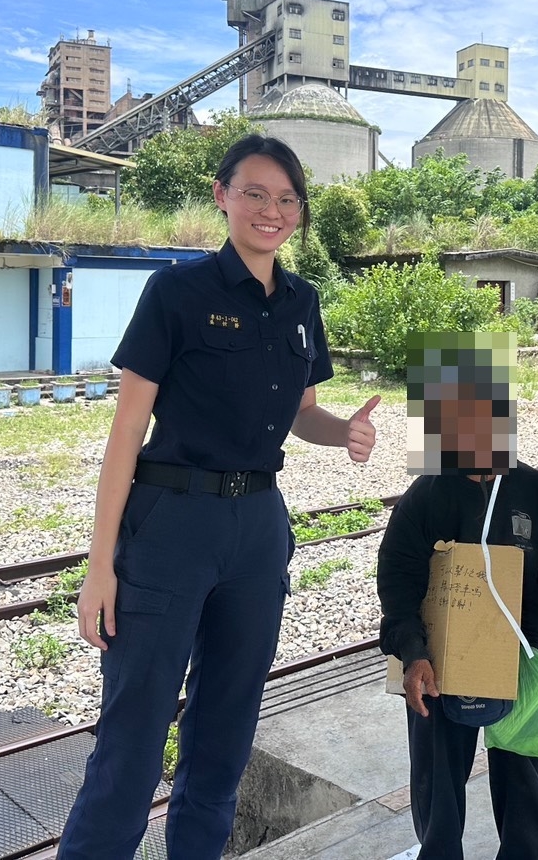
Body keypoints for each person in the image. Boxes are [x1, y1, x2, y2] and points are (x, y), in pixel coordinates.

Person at [57, 134, 380, 860]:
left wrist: (344, 433)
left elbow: (301, 412)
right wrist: (100, 565)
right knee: (134, 737)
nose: (272, 211)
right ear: (222, 196)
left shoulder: (301, 301)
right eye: (255, 193)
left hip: (257, 528)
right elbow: (126, 433)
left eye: (287, 199)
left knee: (225, 733)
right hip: (170, 524)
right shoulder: (176, 292)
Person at [378, 332, 538, 860]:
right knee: (438, 780)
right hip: (438, 664)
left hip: (518, 655)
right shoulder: (424, 496)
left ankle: (528, 853)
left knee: (522, 776)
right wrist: (413, 653)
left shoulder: (532, 490)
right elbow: (398, 584)